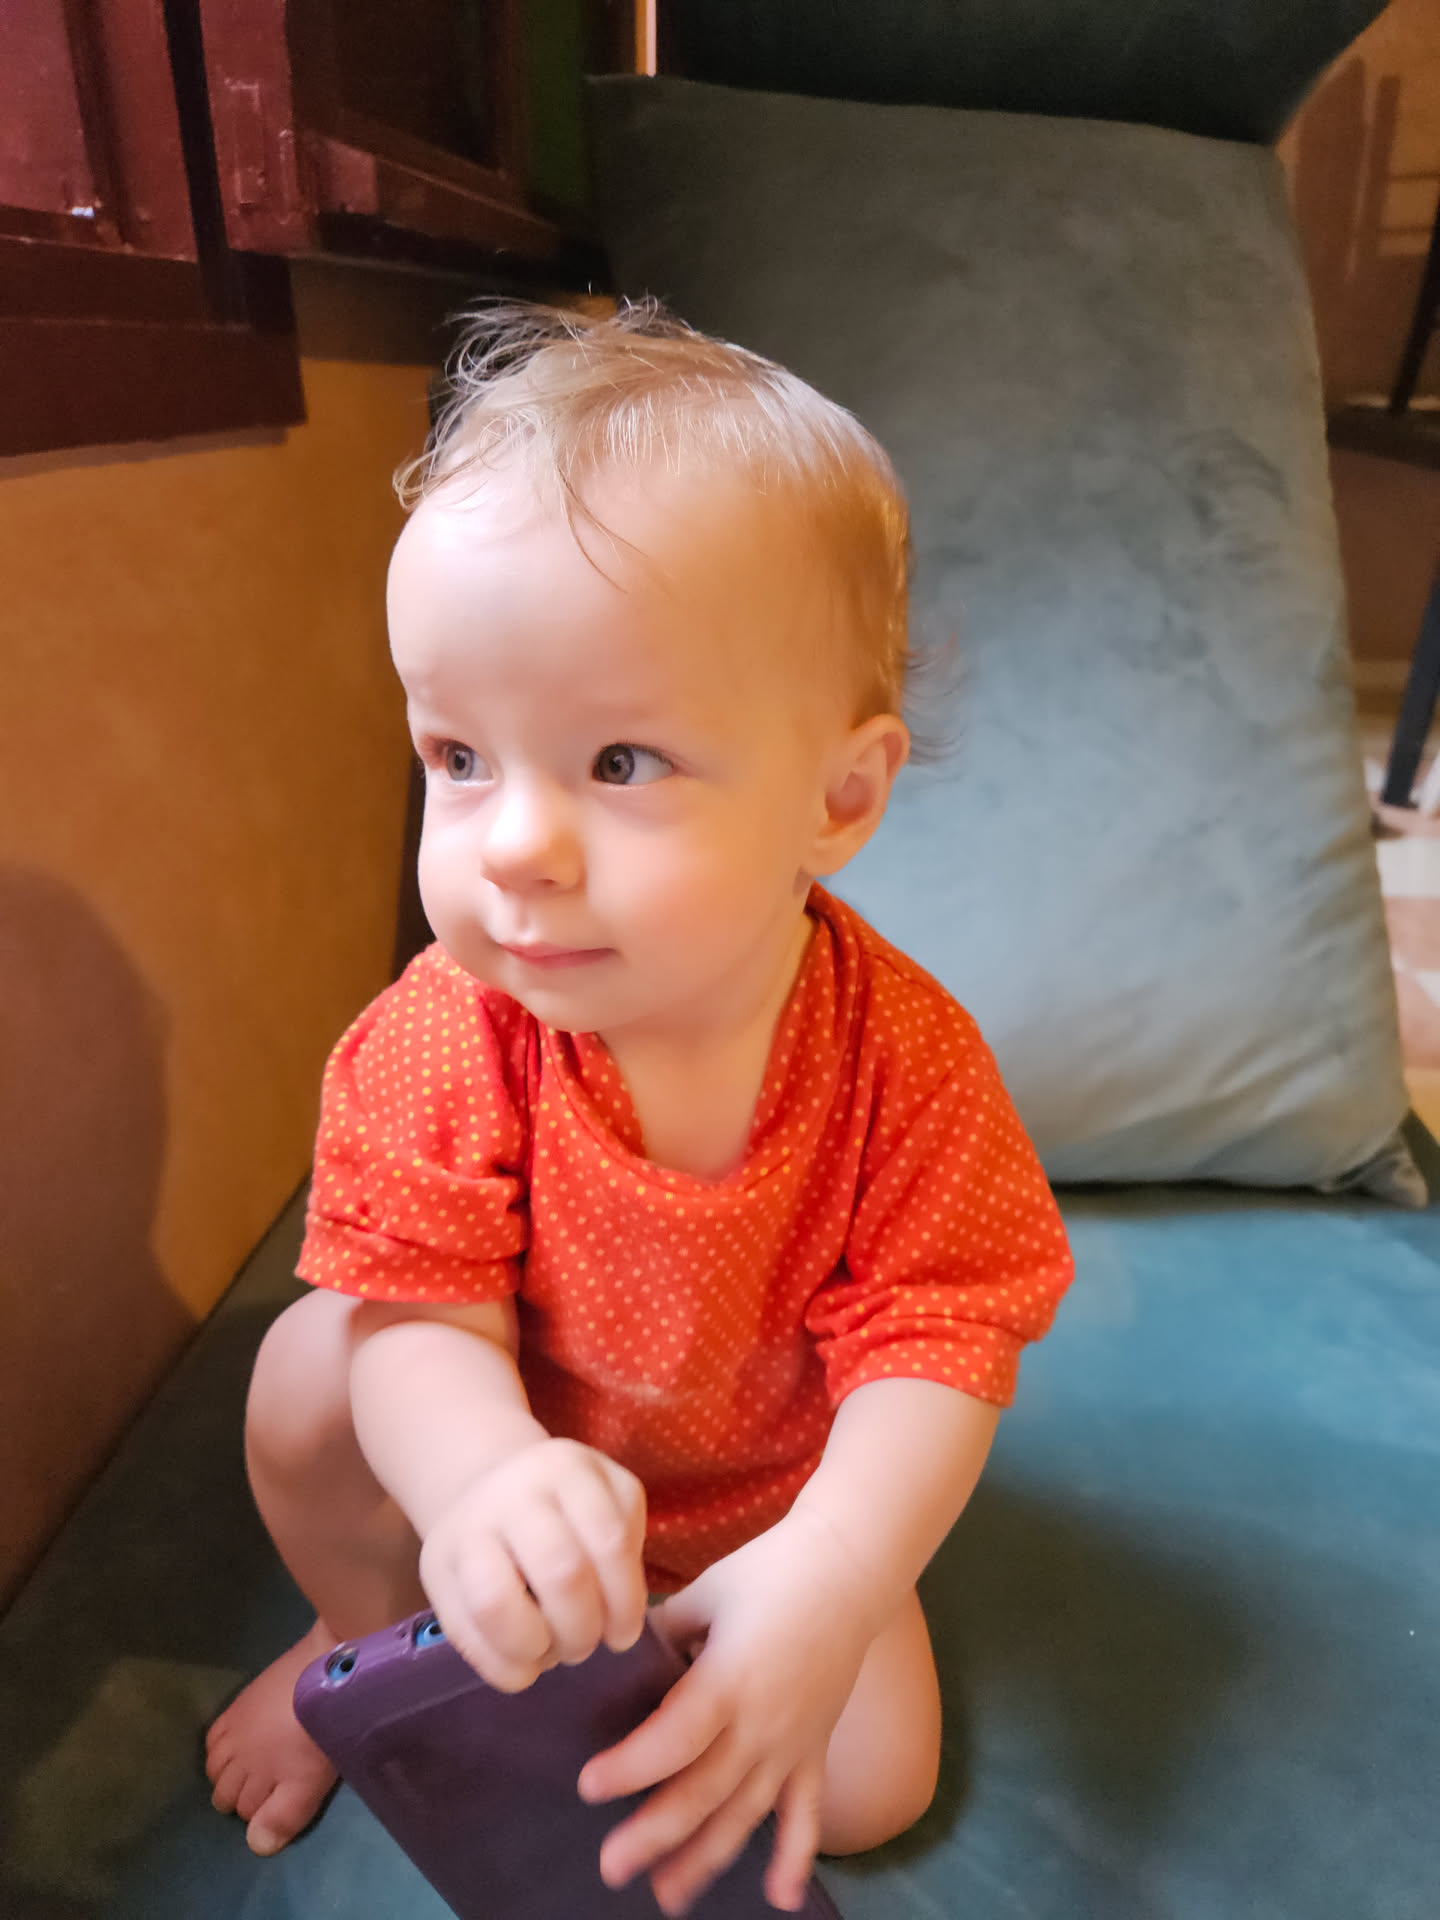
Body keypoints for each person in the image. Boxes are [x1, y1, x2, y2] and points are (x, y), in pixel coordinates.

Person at [205, 300, 1074, 1915]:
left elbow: (946, 1342)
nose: (513, 847)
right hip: (513, 1463)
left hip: (769, 1500)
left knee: (871, 1789)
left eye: (619, 763)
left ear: (840, 798)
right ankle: (367, 1643)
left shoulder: (906, 1058)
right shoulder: (448, 1032)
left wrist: (832, 1574)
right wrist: (480, 1486)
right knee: (310, 1374)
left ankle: (714, 1640)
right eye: (459, 756)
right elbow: (420, 1317)